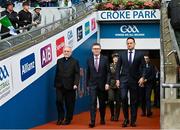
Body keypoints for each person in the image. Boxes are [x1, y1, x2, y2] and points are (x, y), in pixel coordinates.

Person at [116, 37, 145, 127]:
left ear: (134, 44)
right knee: (123, 98)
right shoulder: (122, 54)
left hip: (134, 81)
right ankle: (126, 119)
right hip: (123, 80)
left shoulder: (140, 54)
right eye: (128, 43)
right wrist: (117, 79)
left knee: (134, 101)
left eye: (131, 43)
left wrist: (142, 77)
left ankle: (133, 120)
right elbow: (118, 67)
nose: (129, 44)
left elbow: (144, 67)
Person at [54, 46, 80, 125]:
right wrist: (55, 83)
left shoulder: (75, 61)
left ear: (71, 52)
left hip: (70, 86)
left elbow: (77, 74)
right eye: (65, 51)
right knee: (58, 101)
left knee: (69, 104)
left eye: (68, 51)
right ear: (62, 52)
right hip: (59, 86)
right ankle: (60, 118)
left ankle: (68, 119)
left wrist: (76, 84)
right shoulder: (59, 61)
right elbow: (57, 73)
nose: (66, 52)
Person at [87, 43, 110, 128]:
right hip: (92, 85)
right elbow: (88, 72)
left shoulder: (105, 59)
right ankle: (92, 121)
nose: (96, 50)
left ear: (100, 50)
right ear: (92, 50)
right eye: (94, 48)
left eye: (97, 48)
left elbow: (108, 72)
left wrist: (107, 83)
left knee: (102, 103)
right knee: (92, 103)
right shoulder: (89, 59)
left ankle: (102, 118)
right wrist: (87, 84)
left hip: (102, 85)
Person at [108, 53, 121, 121]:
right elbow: (108, 74)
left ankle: (116, 116)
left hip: (119, 85)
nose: (115, 59)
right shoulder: (110, 65)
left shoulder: (121, 66)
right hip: (111, 85)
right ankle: (112, 114)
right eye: (114, 58)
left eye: (117, 57)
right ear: (112, 59)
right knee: (110, 99)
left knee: (118, 101)